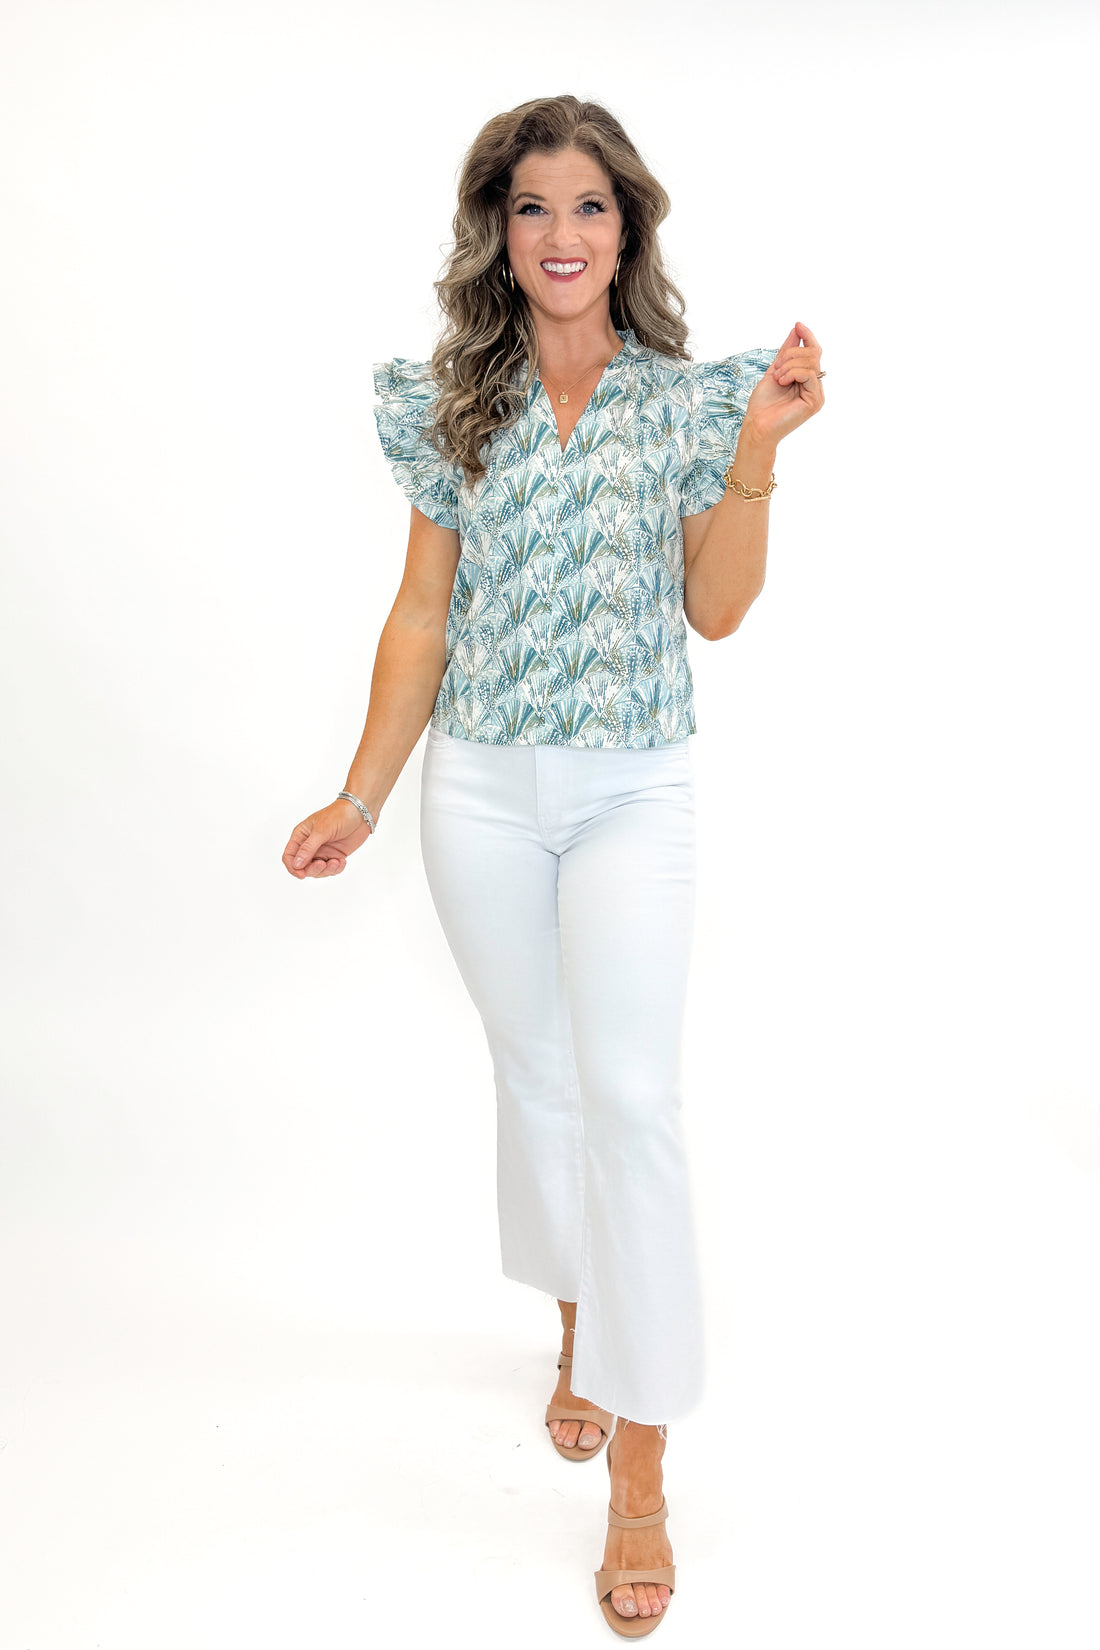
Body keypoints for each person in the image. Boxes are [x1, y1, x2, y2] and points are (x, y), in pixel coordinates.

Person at [281, 93, 825, 1636]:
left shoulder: (688, 402)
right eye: (533, 207)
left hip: (634, 785)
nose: (562, 233)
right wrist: (363, 793)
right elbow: (421, 614)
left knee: (632, 1099)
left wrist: (758, 450)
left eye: (589, 205)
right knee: (537, 1074)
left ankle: (641, 1463)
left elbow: (716, 611)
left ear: (626, 226)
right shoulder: (454, 401)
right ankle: (583, 1315)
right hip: (481, 789)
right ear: (500, 232)